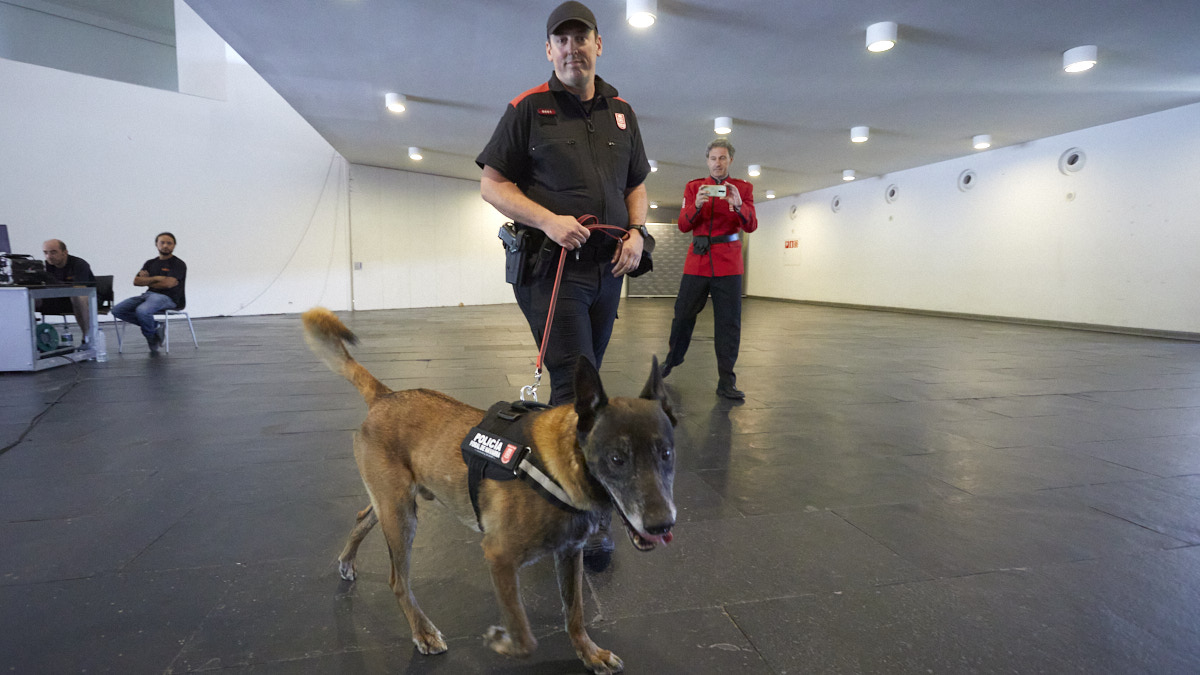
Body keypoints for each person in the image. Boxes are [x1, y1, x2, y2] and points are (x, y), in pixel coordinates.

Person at [476, 0, 650, 571]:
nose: (573, 49)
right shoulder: (529, 108)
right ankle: (582, 518)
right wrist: (549, 220)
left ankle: (567, 499)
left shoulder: (622, 112)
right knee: (575, 393)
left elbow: (635, 185)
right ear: (549, 50)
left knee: (586, 387)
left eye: (583, 38)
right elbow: (493, 185)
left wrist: (637, 233)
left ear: (599, 45)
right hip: (552, 271)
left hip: (608, 269)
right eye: (562, 40)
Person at [660, 138, 758, 400]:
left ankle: (726, 380)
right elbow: (683, 225)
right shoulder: (694, 187)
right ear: (707, 161)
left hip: (729, 262)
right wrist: (697, 204)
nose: (718, 163)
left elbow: (751, 226)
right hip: (698, 260)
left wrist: (739, 204)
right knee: (682, 314)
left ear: (730, 160)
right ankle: (672, 359)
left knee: (729, 323)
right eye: (713, 158)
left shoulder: (743, 188)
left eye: (722, 158)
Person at [112, 232, 187, 354]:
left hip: (169, 298)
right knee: (117, 310)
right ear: (156, 244)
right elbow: (136, 281)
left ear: (174, 245)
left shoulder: (178, 264)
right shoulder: (150, 263)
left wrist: (147, 281)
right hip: (148, 296)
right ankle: (156, 326)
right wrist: (157, 278)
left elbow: (168, 284)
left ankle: (151, 339)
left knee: (142, 311)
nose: (165, 245)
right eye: (162, 243)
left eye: (169, 243)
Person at [36, 239, 96, 341]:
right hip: (60, 299)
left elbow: (80, 289)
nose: (49, 256)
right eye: (45, 253)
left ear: (65, 253)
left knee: (78, 297)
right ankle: (31, 338)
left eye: (53, 252)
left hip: (88, 299)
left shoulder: (79, 264)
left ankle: (88, 336)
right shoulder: (45, 266)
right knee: (28, 300)